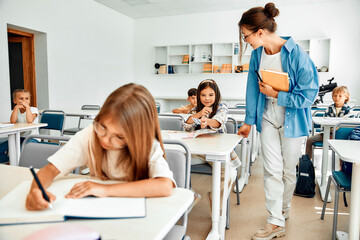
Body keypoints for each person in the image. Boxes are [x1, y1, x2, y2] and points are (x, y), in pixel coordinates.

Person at [237, 3, 319, 240]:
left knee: (287, 170)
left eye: (246, 36)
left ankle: (283, 210)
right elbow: (252, 89)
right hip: (268, 118)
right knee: (271, 170)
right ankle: (275, 221)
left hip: (292, 120)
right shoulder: (256, 56)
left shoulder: (298, 56)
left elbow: (308, 96)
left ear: (260, 32)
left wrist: (276, 94)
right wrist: (249, 120)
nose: (246, 41)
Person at [25, 83, 175, 210]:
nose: (105, 139)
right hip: (99, 209)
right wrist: (35, 190)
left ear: (138, 135)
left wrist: (106, 190)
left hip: (143, 212)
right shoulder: (91, 134)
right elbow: (50, 170)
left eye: (119, 137)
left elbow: (164, 185)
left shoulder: (146, 144)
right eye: (102, 126)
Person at [184, 79, 240, 205]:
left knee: (230, 174)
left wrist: (207, 121)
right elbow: (186, 126)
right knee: (173, 161)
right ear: (198, 96)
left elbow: (218, 122)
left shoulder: (222, 108)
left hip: (216, 152)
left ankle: (215, 199)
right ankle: (190, 195)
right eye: (203, 95)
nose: (207, 99)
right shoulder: (195, 109)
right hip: (196, 152)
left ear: (216, 95)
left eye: (211, 95)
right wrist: (198, 114)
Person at [306, 86, 352, 160]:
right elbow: (324, 122)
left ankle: (342, 168)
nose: (337, 98)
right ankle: (307, 162)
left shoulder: (349, 110)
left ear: (346, 97)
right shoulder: (330, 108)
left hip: (342, 137)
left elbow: (348, 126)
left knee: (343, 149)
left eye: (340, 96)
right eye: (335, 95)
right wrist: (331, 132)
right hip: (327, 134)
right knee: (309, 140)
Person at [0, 89, 39, 164]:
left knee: (20, 152)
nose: (24, 101)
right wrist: (15, 108)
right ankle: (9, 162)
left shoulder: (33, 110)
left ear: (29, 101)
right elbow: (13, 121)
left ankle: (17, 164)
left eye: (26, 98)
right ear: (15, 101)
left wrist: (27, 108)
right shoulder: (16, 111)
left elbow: (30, 120)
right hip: (19, 137)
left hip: (32, 137)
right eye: (21, 98)